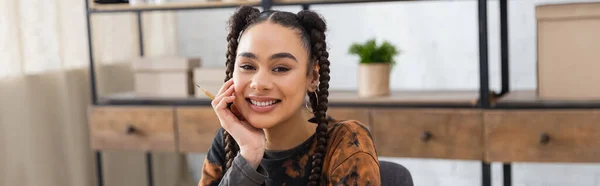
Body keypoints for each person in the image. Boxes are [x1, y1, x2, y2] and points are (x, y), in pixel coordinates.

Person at [198, 5, 380, 186]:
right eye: (247, 66)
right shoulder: (229, 140)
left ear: (313, 77)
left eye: (280, 68)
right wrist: (249, 156)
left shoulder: (347, 142)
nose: (259, 83)